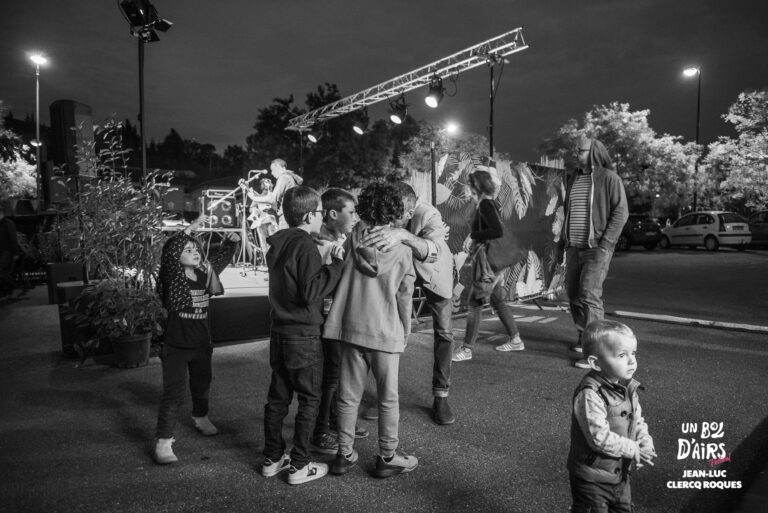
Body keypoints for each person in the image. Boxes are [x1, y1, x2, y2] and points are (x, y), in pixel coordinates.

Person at [322, 182, 418, 478]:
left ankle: (343, 454)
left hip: (350, 327)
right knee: (388, 398)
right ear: (395, 211)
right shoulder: (402, 249)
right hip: (385, 330)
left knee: (348, 395)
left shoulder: (351, 239)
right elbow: (404, 295)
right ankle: (388, 456)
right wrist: (405, 330)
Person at [261, 185, 345, 485]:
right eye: (319, 212)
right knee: (310, 399)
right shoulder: (305, 246)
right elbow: (310, 292)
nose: (321, 217)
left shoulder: (278, 243)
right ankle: (299, 464)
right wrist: (335, 264)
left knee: (278, 398)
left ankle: (272, 458)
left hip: (279, 332)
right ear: (309, 215)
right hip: (304, 334)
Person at [361, 182, 456, 425]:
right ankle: (383, 396)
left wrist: (403, 235)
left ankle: (441, 395)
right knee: (387, 331)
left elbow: (434, 251)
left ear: (411, 211)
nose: (393, 220)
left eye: (399, 215)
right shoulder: (387, 209)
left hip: (433, 272)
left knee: (444, 332)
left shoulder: (428, 214)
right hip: (399, 272)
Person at [154, 215, 236, 464]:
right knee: (173, 394)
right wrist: (188, 231)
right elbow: (170, 254)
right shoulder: (174, 279)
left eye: (195, 249)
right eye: (187, 250)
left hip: (201, 344)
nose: (194, 252)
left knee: (202, 385)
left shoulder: (204, 275)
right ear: (176, 256)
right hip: (176, 346)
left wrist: (231, 243)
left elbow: (219, 261)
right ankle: (163, 441)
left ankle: (200, 417)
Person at [567, 320, 656, 513]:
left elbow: (636, 420)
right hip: (592, 479)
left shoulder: (627, 387)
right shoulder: (590, 394)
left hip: (619, 474)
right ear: (596, 363)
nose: (631, 361)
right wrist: (633, 448)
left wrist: (644, 441)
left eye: (633, 353)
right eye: (622, 355)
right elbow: (598, 438)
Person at [310, 188, 370, 456]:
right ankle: (321, 430)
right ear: (333, 214)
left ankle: (336, 421)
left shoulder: (339, 237)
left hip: (339, 313)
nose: (355, 217)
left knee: (339, 371)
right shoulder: (320, 242)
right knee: (331, 374)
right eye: (351, 212)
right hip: (327, 315)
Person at [560, 136, 628, 368]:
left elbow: (621, 212)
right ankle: (584, 337)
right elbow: (568, 212)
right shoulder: (574, 178)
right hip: (573, 246)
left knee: (589, 294)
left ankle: (597, 352)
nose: (577, 154)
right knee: (573, 294)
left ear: (594, 152)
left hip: (596, 248)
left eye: (581, 151)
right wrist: (562, 244)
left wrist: (606, 244)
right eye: (577, 150)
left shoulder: (609, 178)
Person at [452, 169, 524, 362]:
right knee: (497, 300)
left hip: (488, 263)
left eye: (469, 184)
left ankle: (467, 349)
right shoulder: (488, 202)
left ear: (476, 186)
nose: (467, 187)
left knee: (474, 303)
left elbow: (496, 231)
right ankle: (516, 339)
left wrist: (474, 236)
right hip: (492, 261)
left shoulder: (484, 204)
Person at [244, 159, 303, 229]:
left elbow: (272, 199)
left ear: (278, 167)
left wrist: (253, 197)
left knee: (284, 236)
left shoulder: (284, 177)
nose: (272, 173)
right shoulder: (289, 178)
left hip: (286, 217)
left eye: (273, 170)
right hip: (290, 215)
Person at [0, 205, 20, 298]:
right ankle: (7, 290)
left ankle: (14, 287)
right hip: (2, 251)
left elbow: (13, 238)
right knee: (4, 272)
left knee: (2, 270)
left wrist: (16, 253)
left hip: (7, 251)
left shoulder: (8, 223)